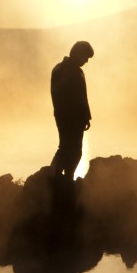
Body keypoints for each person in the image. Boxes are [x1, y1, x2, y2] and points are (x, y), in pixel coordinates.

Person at [50, 41, 94, 180]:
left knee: (67, 148)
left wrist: (86, 117)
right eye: (86, 57)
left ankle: (58, 175)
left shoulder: (61, 69)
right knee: (72, 150)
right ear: (78, 53)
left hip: (66, 116)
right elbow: (77, 97)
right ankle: (60, 176)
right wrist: (84, 117)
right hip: (70, 118)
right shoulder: (70, 71)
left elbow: (81, 97)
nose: (86, 61)